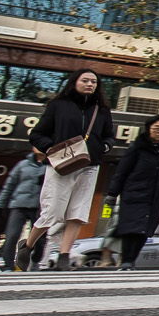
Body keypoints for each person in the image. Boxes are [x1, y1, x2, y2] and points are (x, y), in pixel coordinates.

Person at [22, 69, 113, 272]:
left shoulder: (102, 109)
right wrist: (52, 149)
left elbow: (109, 135)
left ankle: (64, 256)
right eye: (85, 80)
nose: (90, 84)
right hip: (61, 166)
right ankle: (27, 246)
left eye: (94, 82)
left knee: (78, 212)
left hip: (90, 165)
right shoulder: (58, 105)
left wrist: (104, 147)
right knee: (52, 212)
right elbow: (37, 134)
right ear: (74, 82)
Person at [106, 115, 159, 270]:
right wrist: (112, 193)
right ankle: (126, 260)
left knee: (146, 229)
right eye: (156, 128)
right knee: (131, 227)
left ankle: (132, 260)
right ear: (148, 129)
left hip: (156, 195)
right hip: (134, 193)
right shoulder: (138, 147)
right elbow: (122, 171)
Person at [0, 150, 46, 272]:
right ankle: (8, 265)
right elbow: (9, 185)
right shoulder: (22, 165)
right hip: (18, 205)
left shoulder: (51, 165)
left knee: (40, 239)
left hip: (39, 207)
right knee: (11, 236)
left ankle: (35, 261)